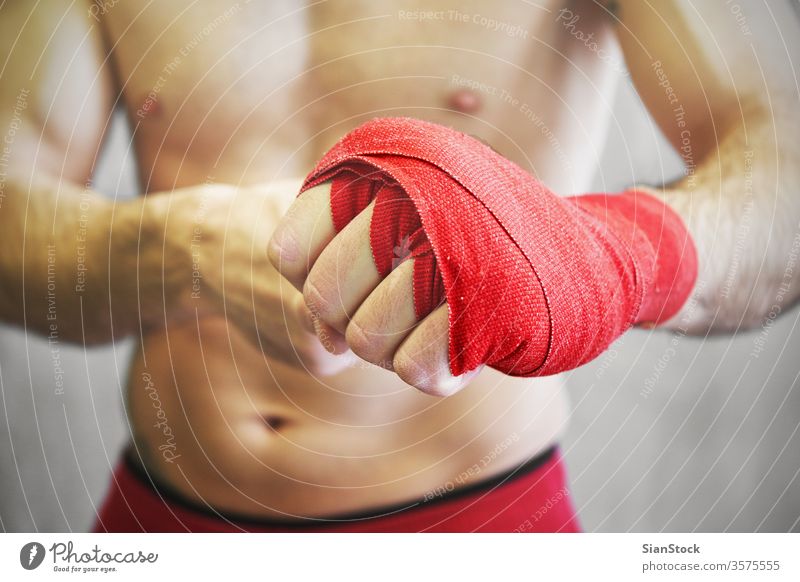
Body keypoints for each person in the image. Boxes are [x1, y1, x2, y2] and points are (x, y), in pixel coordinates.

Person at [0, 0, 797, 532]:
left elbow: (785, 172)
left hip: (479, 520)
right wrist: (189, 248)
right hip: (164, 519)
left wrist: (602, 259)